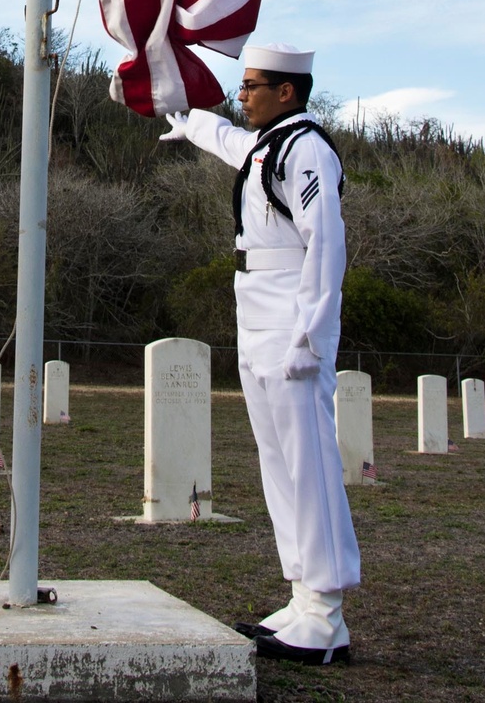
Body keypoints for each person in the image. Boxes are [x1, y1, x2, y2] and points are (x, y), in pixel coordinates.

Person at [161, 42, 359, 666]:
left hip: (290, 311)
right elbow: (223, 138)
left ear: (288, 92)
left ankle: (327, 614)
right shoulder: (269, 144)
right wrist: (172, 108)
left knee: (310, 463)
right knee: (278, 462)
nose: (241, 95)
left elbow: (324, 244)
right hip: (256, 305)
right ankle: (303, 599)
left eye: (252, 86)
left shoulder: (306, 151)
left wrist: (311, 334)